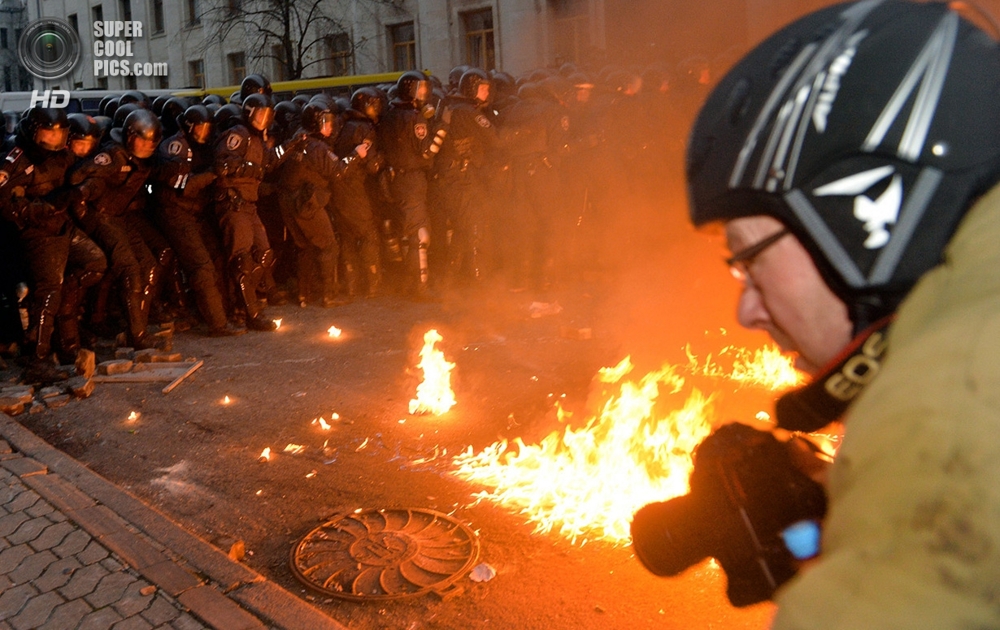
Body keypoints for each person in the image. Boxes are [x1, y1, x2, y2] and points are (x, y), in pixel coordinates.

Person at [674, 1, 1000, 627]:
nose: (745, 308)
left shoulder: (949, 411)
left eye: (748, 257)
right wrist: (837, 529)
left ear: (859, 219)